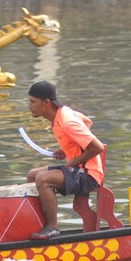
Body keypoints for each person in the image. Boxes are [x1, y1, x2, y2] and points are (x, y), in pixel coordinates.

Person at [26, 81, 105, 239]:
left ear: (46, 103)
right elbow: (87, 122)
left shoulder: (67, 122)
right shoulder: (63, 112)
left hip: (88, 175)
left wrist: (72, 162)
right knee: (32, 175)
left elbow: (97, 147)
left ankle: (52, 227)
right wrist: (68, 147)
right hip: (78, 170)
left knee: (42, 179)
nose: (29, 106)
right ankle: (39, 223)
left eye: (33, 102)